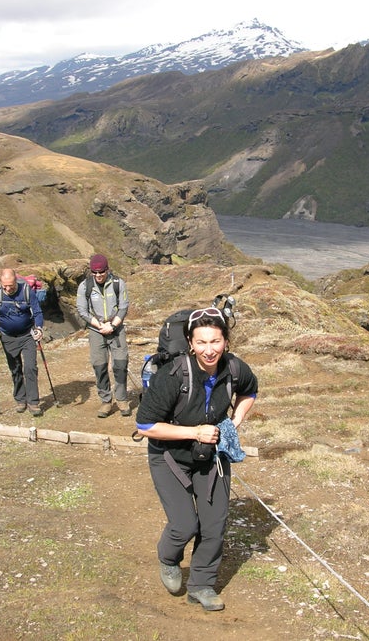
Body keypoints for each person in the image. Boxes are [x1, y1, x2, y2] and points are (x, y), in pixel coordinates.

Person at [135, 306, 258, 611]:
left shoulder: (235, 369)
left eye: (215, 341)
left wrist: (234, 423)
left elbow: (250, 391)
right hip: (168, 456)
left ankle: (201, 585)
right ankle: (168, 558)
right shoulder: (173, 375)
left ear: (226, 341)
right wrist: (194, 432)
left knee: (214, 525)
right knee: (184, 524)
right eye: (201, 342)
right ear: (190, 342)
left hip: (211, 456)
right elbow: (145, 425)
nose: (209, 350)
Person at [76, 254, 131, 418]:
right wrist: (100, 326)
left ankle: (121, 399)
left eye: (101, 272)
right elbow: (82, 310)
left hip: (116, 327)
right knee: (99, 366)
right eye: (95, 272)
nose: (98, 275)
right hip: (96, 329)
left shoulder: (118, 284)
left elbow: (123, 306)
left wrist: (113, 325)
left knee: (120, 364)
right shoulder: (85, 286)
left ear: (107, 270)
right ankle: (106, 401)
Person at [0, 268, 44, 416]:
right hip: (7, 337)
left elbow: (37, 312)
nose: (8, 288)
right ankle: (20, 399)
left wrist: (39, 328)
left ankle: (33, 402)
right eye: (5, 285)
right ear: (1, 282)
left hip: (27, 335)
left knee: (30, 367)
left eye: (11, 285)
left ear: (16, 281)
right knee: (15, 368)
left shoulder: (26, 291)